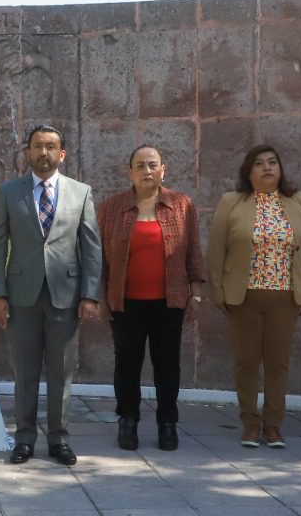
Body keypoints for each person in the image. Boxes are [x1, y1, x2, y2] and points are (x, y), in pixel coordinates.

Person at [0, 124, 102, 466]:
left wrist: (90, 294)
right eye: (38, 146)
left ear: (62, 154)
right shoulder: (10, 192)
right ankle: (23, 438)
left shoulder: (81, 193)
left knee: (62, 371)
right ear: (28, 152)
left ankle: (59, 439)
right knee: (25, 371)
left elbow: (91, 247)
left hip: (66, 295)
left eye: (51, 146)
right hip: (22, 295)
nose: (44, 152)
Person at [205, 144, 301, 449]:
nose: (267, 168)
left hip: (285, 296)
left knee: (277, 362)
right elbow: (217, 250)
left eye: (273, 162)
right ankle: (250, 424)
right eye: (259, 163)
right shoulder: (232, 202)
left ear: (280, 168)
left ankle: (273, 426)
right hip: (245, 297)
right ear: (249, 171)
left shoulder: (298, 201)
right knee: (246, 361)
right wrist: (218, 292)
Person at [96, 145, 208, 452]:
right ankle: (127, 420)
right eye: (140, 165)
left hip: (169, 302)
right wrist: (101, 298)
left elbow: (194, 252)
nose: (147, 170)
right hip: (125, 302)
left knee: (167, 364)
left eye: (152, 165)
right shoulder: (111, 208)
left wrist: (196, 294)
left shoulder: (182, 205)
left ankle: (167, 423)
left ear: (163, 170)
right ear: (130, 172)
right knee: (127, 364)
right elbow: (99, 259)